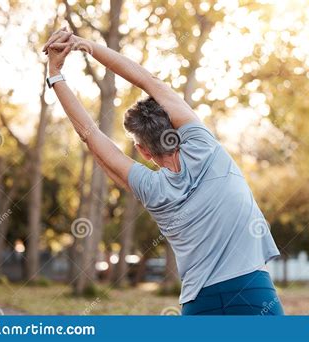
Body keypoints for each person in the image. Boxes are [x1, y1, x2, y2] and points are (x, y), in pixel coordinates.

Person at [43, 28, 284, 315]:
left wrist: (55, 74)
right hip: (253, 293)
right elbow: (147, 79)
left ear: (144, 152)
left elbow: (89, 133)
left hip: (199, 303)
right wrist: (84, 44)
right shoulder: (204, 147)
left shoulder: (151, 188)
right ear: (176, 127)